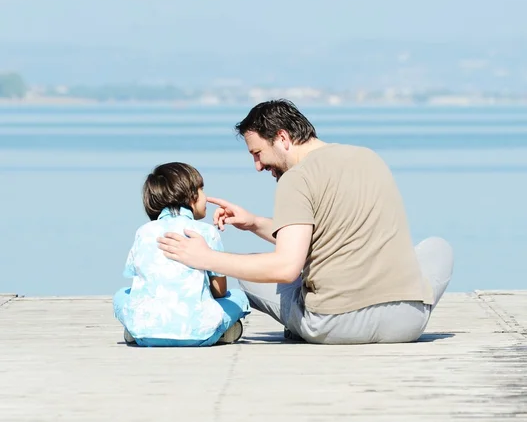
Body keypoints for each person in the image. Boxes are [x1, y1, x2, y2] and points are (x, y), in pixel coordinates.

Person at [157, 100, 454, 345]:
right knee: (438, 248)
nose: (258, 166)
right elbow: (331, 234)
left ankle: (300, 327)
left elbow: (286, 269)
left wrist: (208, 258)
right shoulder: (368, 157)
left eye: (258, 154)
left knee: (247, 273)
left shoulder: (296, 179)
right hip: (406, 322)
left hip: (337, 325)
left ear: (283, 138)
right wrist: (254, 222)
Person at [113, 162, 250, 347]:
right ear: (190, 195)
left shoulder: (143, 232)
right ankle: (222, 332)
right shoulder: (206, 232)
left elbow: (138, 282)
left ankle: (134, 329)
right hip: (198, 332)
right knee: (237, 297)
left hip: (145, 332)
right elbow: (220, 291)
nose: (206, 197)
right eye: (202, 189)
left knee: (122, 295)